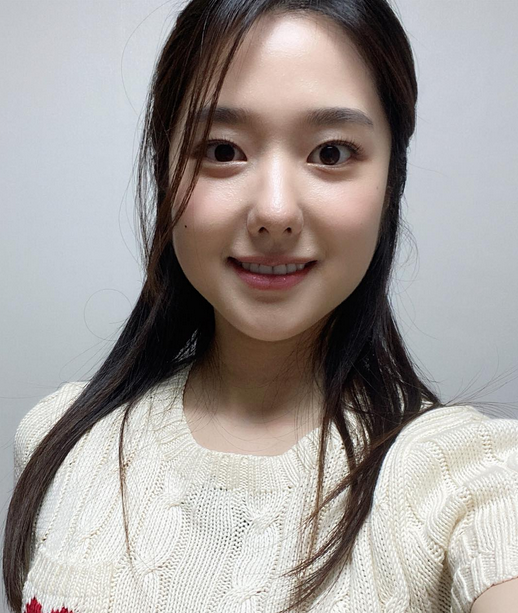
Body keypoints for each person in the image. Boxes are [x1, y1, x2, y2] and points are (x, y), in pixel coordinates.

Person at [4, 1, 518, 612]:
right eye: (223, 151)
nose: (275, 211)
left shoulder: (473, 481)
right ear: (165, 171)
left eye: (331, 153)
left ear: (390, 180)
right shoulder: (58, 439)